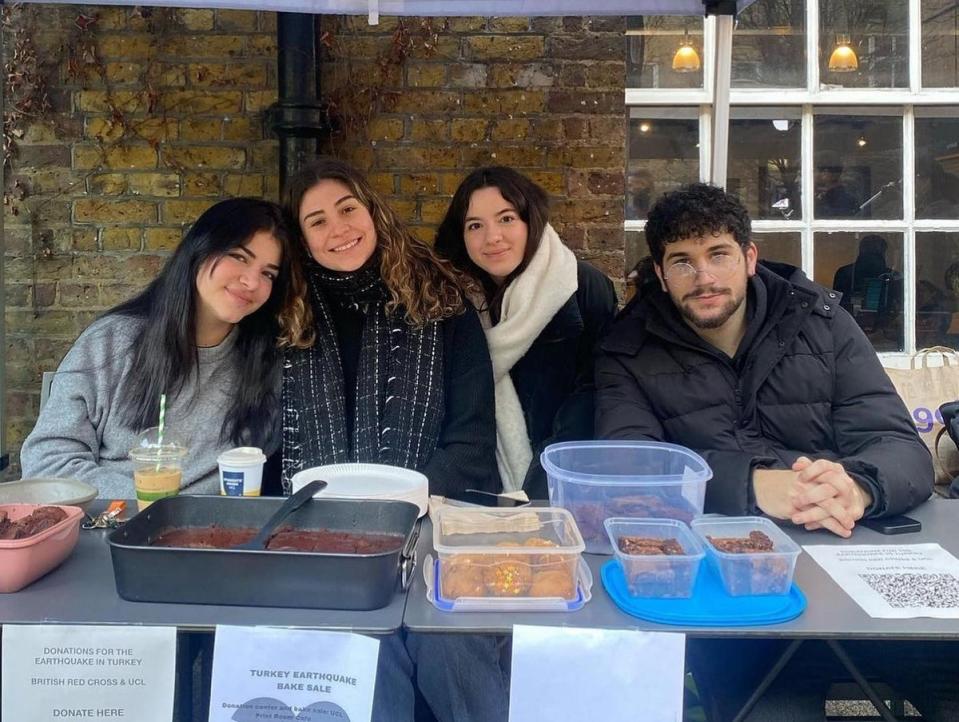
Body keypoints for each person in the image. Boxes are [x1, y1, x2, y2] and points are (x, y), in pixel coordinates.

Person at [595, 183, 945, 721]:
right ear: (661, 275)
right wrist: (757, 485)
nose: (704, 277)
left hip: (853, 560)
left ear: (750, 257)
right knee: (771, 710)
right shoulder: (627, 350)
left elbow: (898, 444)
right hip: (730, 594)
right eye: (682, 262)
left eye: (718, 255)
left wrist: (858, 487)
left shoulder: (821, 322)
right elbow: (635, 469)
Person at [282, 158, 503, 722]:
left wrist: (402, 516)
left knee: (453, 649)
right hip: (322, 543)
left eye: (348, 209)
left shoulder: (443, 303)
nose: (339, 229)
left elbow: (471, 441)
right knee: (362, 655)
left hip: (434, 528)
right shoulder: (285, 319)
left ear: (372, 211)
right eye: (317, 221)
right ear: (302, 240)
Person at [20, 198, 297, 498]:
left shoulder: (268, 363)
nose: (251, 281)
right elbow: (47, 461)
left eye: (268, 273)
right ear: (200, 249)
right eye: (239, 257)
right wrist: (156, 506)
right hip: (110, 529)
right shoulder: (112, 343)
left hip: (212, 535)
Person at [435, 166, 617, 498]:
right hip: (472, 489)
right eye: (475, 225)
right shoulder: (450, 302)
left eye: (506, 219)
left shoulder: (583, 288)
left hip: (558, 484)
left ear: (530, 220)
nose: (492, 237)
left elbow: (591, 399)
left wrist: (538, 490)